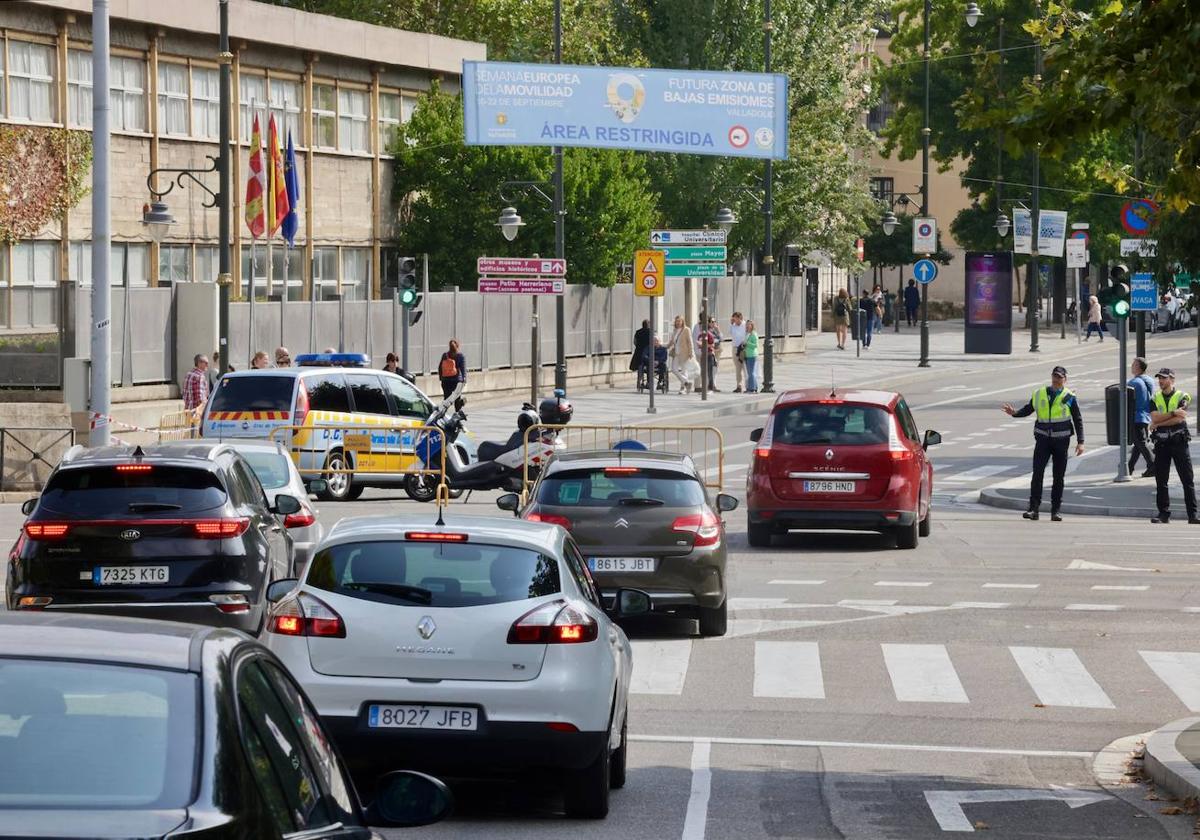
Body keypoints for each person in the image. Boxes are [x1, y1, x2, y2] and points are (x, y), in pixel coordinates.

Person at [1002, 365, 1085, 521]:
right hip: (1042, 440)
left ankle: (1056, 511)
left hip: (1061, 441)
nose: (1056, 379)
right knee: (1037, 473)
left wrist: (1081, 442)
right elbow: (1028, 409)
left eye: (1060, 377)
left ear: (1065, 379)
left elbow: (1077, 419)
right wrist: (1015, 414)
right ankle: (1034, 509)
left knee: (1058, 477)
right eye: (1055, 376)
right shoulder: (1039, 393)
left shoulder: (1069, 396)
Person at [1148, 368, 1198, 524]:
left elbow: (1180, 419)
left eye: (1164, 378)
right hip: (1162, 444)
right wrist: (1172, 413)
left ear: (1172, 379)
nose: (1161, 381)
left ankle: (1193, 515)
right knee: (1161, 480)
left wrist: (1158, 424)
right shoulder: (1155, 397)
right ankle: (1163, 514)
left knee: (1187, 479)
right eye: (1159, 378)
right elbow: (1154, 416)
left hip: (1179, 443)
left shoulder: (1183, 396)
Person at [1128, 357, 1156, 477]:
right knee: (1138, 444)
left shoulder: (1134, 382)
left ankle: (1154, 465)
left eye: (1134, 364)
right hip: (1146, 415)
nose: (1131, 366)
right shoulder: (1149, 380)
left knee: (1141, 443)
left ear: (1138, 367)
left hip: (1136, 417)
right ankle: (1129, 467)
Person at [667, 315, 695, 394]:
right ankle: (687, 382)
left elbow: (690, 342)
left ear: (683, 321)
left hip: (685, 353)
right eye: (677, 321)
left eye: (680, 321)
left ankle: (683, 388)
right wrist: (663, 346)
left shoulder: (686, 330)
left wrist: (691, 352)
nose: (678, 322)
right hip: (676, 353)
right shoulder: (675, 330)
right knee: (674, 369)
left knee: (684, 370)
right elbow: (672, 341)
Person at [439, 339, 466, 411]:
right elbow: (463, 369)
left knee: (446, 399)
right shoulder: (460, 356)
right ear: (458, 346)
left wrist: (441, 378)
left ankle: (442, 415)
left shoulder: (445, 355)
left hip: (445, 381)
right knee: (457, 399)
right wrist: (464, 379)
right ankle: (457, 416)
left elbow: (440, 367)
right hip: (456, 381)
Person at [729, 312, 747, 392]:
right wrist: (731, 324)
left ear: (740, 318)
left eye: (735, 318)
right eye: (733, 319)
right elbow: (730, 333)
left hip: (743, 349)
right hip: (735, 348)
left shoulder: (745, 325)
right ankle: (739, 386)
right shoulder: (733, 326)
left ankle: (748, 386)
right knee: (738, 368)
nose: (734, 320)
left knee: (745, 368)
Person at [743, 319, 760, 393]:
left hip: (752, 355)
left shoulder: (754, 334)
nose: (747, 326)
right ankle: (754, 387)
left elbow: (755, 345)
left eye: (749, 324)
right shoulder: (747, 333)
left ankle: (751, 389)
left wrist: (747, 343)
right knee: (750, 372)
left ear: (752, 326)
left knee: (751, 373)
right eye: (747, 324)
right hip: (747, 355)